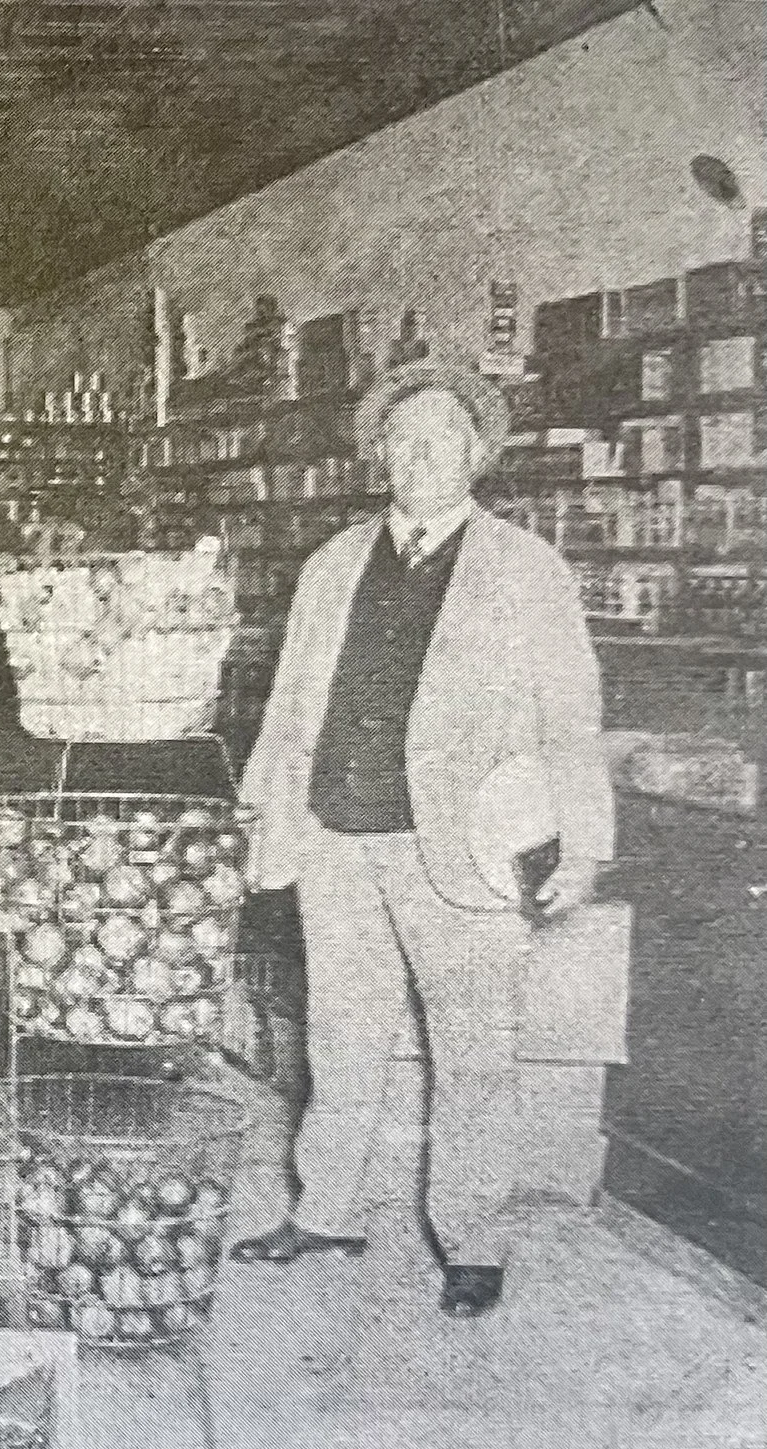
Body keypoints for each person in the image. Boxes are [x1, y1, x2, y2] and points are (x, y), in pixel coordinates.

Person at [232, 361, 611, 1318]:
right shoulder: (331, 564)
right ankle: (325, 1210)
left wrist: (583, 846)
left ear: (478, 455)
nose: (421, 455)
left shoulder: (526, 568)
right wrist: (267, 817)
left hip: (462, 847)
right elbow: (287, 708)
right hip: (337, 837)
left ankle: (473, 1240)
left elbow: (571, 715)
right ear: (380, 455)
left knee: (475, 1051)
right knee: (342, 1035)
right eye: (404, 440)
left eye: (442, 439)